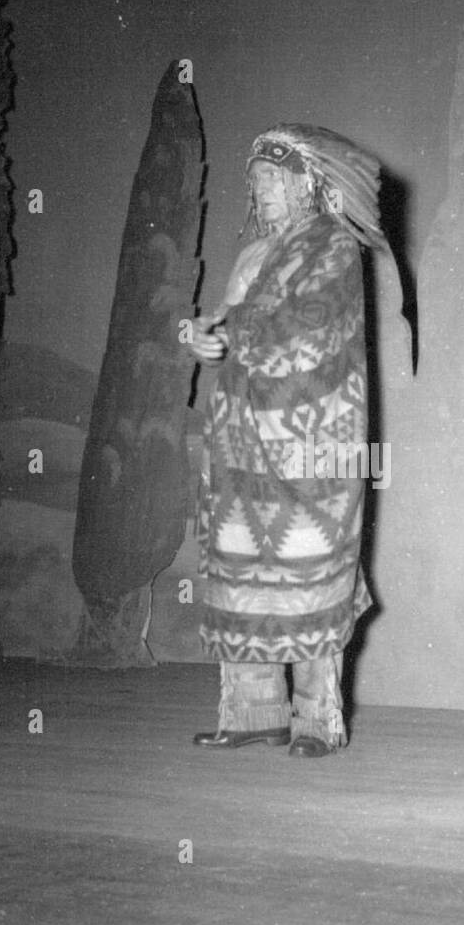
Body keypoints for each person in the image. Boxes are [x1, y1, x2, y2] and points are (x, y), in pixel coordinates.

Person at [187, 124, 386, 757]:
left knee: (307, 572)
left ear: (306, 183)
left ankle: (315, 721)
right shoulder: (254, 256)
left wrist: (233, 330)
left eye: (273, 179)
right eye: (255, 181)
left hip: (311, 447)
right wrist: (199, 338)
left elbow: (310, 331)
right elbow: (230, 333)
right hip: (242, 440)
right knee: (243, 572)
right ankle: (253, 714)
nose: (261, 191)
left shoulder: (332, 247)